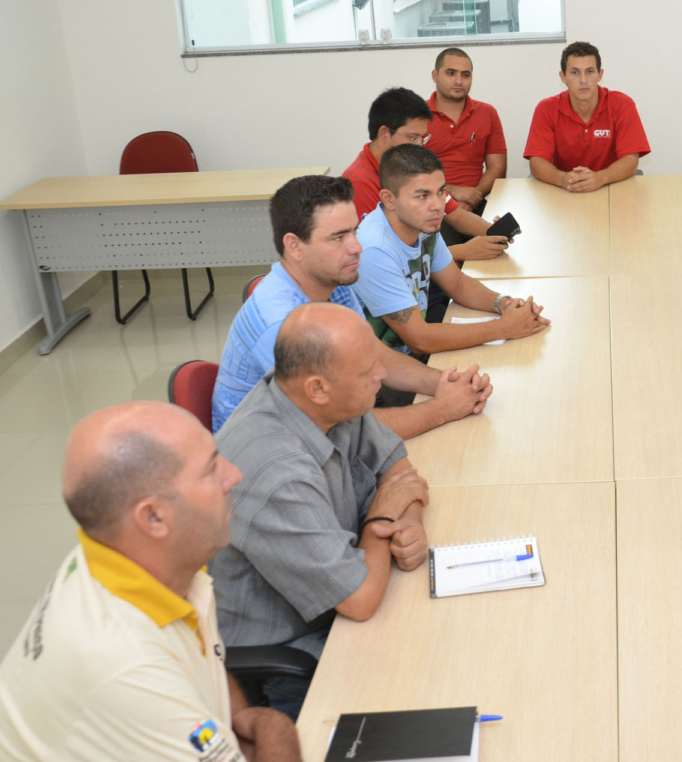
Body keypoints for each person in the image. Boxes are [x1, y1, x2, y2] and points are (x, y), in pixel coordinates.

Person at [0, 401, 300, 762]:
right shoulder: (125, 665)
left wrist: (233, 716)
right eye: (210, 470)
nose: (233, 474)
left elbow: (206, 656)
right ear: (154, 517)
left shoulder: (137, 557)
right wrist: (275, 725)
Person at [210, 303, 431, 719]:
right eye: (369, 373)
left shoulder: (327, 400)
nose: (381, 378)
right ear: (317, 388)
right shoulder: (277, 473)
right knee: (430, 677)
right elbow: (361, 601)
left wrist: (409, 521)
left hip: (340, 595)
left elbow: (397, 466)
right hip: (289, 657)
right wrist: (382, 518)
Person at [211, 174, 492, 436]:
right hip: (266, 467)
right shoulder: (282, 325)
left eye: (353, 232)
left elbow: (374, 354)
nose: (356, 247)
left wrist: (443, 383)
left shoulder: (333, 284)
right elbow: (347, 431)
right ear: (294, 246)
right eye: (338, 238)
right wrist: (444, 408)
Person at [353, 144, 550, 356]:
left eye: (441, 192)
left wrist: (506, 304)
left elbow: (456, 283)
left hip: (410, 351)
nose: (437, 205)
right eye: (422, 196)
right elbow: (420, 340)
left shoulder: (421, 222)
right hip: (379, 373)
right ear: (389, 199)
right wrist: (505, 328)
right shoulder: (374, 249)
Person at [343, 86, 511, 261]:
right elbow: (383, 254)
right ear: (384, 133)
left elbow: (456, 215)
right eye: (412, 137)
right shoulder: (359, 183)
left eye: (423, 138)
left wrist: (495, 232)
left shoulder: (410, 166)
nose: (419, 145)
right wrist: (461, 252)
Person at [524, 41, 650, 193]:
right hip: (564, 190)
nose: (583, 80)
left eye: (590, 71)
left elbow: (631, 160)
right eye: (575, 72)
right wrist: (564, 179)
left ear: (600, 75)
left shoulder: (622, 105)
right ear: (563, 77)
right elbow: (537, 162)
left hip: (612, 186)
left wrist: (600, 178)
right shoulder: (546, 109)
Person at [425, 47, 508, 246]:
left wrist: (472, 198)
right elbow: (407, 176)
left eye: (465, 75)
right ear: (435, 75)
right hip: (434, 207)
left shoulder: (487, 113)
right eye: (451, 73)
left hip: (476, 203)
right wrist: (451, 192)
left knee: (503, 244)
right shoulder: (417, 117)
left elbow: (498, 168)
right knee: (450, 259)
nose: (459, 81)